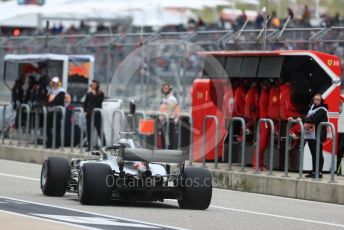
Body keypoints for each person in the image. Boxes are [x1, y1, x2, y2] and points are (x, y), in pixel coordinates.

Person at [295, 94, 328, 178]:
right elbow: (306, 116)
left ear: (321, 101)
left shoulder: (322, 110)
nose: (316, 101)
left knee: (318, 154)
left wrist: (302, 119)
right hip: (311, 135)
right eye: (315, 99)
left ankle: (318, 172)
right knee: (314, 153)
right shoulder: (312, 108)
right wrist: (297, 117)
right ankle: (314, 171)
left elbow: (313, 119)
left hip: (318, 135)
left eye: (318, 100)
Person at [46, 76, 66, 148]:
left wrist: (49, 103)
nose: (54, 84)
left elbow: (57, 101)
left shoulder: (61, 91)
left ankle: (57, 143)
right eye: (53, 83)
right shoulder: (51, 91)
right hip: (50, 111)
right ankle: (49, 142)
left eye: (56, 83)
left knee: (57, 128)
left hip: (57, 112)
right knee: (48, 127)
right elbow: (47, 99)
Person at [84, 80, 104, 151]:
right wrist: (85, 111)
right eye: (92, 85)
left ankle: (104, 145)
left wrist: (95, 95)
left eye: (94, 85)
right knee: (89, 130)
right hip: (89, 114)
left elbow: (99, 102)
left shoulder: (100, 93)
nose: (93, 86)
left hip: (97, 114)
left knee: (99, 130)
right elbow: (85, 103)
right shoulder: (88, 94)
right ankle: (90, 146)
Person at [159, 83, 181, 149]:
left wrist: (162, 119)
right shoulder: (166, 98)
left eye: (166, 88)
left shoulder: (171, 99)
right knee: (164, 141)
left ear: (169, 89)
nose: (164, 90)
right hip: (165, 122)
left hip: (168, 122)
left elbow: (168, 112)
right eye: (163, 88)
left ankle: (168, 156)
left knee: (168, 141)